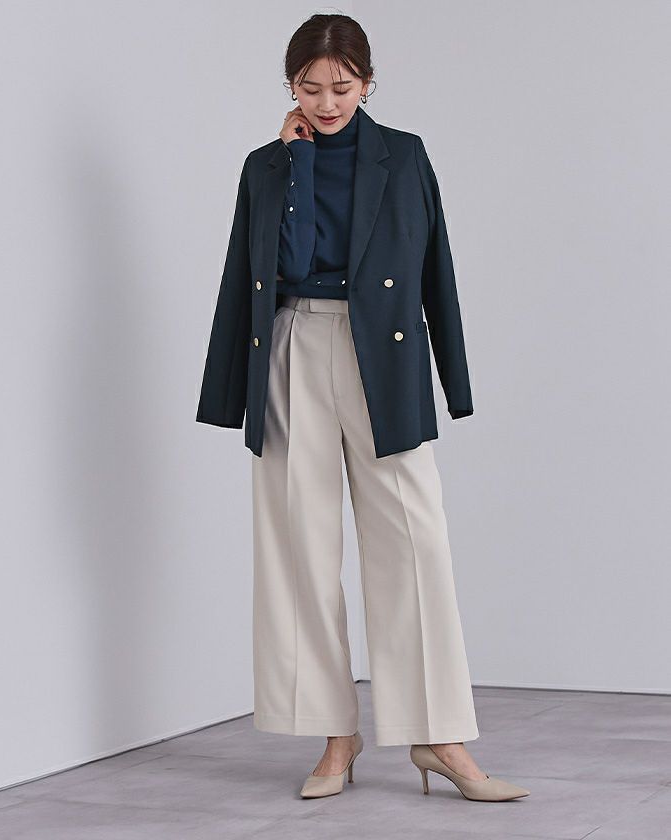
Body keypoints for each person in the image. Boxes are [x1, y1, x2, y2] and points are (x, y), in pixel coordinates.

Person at [196, 13, 530, 802]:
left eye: (341, 87)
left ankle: (437, 736)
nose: (326, 102)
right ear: (291, 87)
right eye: (309, 88)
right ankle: (334, 736)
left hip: (386, 352)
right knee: (300, 547)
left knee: (414, 541)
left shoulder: (404, 155)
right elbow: (251, 269)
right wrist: (296, 164)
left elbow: (435, 265)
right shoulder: (267, 166)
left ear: (369, 83)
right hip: (292, 348)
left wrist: (453, 379)